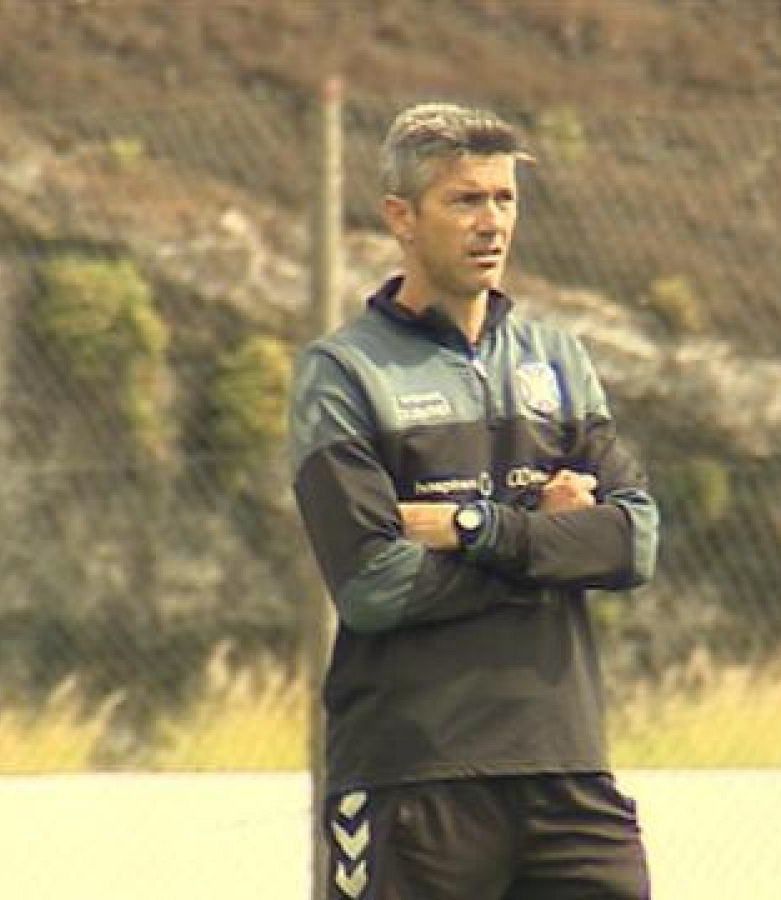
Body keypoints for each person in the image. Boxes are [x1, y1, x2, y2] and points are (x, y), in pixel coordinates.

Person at [287, 101, 660, 900]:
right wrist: (547, 547)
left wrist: (476, 528)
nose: (491, 222)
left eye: (504, 198)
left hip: (567, 771)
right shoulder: (344, 374)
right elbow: (375, 585)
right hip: (411, 778)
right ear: (402, 217)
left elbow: (633, 541)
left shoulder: (558, 361)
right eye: (465, 200)